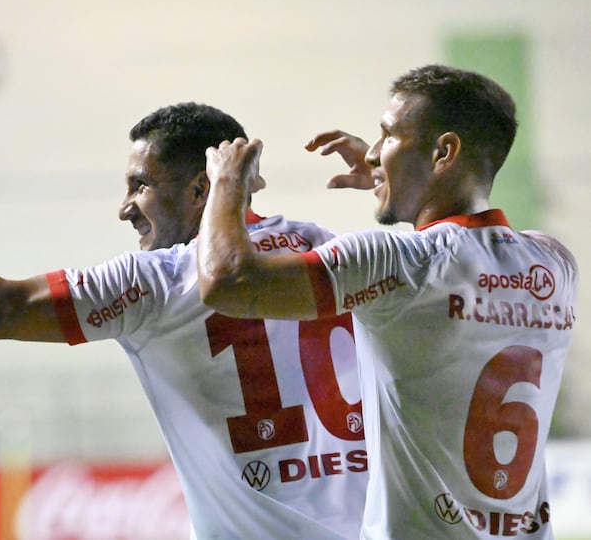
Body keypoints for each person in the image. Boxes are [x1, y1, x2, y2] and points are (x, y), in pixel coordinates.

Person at [0, 103, 368, 540]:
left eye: (140, 185)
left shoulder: (161, 281)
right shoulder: (345, 253)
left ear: (203, 190)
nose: (124, 207)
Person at [196, 66, 578, 539]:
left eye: (387, 135)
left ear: (444, 151)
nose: (373, 151)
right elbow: (463, 252)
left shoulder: (400, 263)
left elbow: (229, 280)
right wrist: (397, 175)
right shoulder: (556, 264)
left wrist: (225, 185)